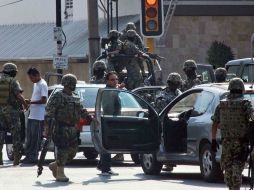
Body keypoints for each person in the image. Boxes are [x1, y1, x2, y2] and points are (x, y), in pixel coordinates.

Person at [44, 74, 91, 182]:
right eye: (72, 84)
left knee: (73, 151)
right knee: (62, 150)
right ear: (68, 84)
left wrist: (89, 118)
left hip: (73, 128)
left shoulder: (75, 96)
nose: (74, 86)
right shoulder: (58, 96)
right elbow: (49, 112)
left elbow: (81, 110)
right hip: (61, 127)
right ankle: (60, 173)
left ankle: (55, 165)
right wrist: (47, 127)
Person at [211, 78, 253, 190]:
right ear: (242, 89)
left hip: (230, 144)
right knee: (234, 172)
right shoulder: (245, 104)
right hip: (239, 144)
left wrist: (213, 141)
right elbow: (252, 122)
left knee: (230, 173)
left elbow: (215, 124)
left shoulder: (222, 105)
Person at [0, 63, 28, 166]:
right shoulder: (12, 81)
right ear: (11, 71)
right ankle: (16, 159)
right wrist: (25, 105)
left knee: (1, 133)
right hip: (11, 111)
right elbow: (19, 96)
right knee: (16, 134)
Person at [22, 67, 48, 164]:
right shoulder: (36, 84)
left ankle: (34, 156)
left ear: (37, 75)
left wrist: (31, 101)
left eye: (32, 78)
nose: (31, 80)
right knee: (30, 137)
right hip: (32, 115)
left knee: (36, 138)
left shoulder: (43, 84)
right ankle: (28, 155)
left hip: (39, 116)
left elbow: (44, 100)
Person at [97, 71, 121, 175]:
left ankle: (102, 165)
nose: (115, 81)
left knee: (108, 145)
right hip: (107, 120)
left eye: (116, 79)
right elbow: (107, 106)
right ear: (107, 81)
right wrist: (117, 91)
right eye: (112, 79)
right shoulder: (106, 91)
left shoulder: (113, 90)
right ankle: (105, 169)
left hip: (113, 120)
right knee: (107, 145)